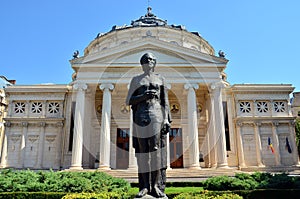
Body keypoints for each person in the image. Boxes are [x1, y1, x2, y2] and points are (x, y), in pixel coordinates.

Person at [126, 53, 171, 198]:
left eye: (151, 59)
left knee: (155, 150)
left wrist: (166, 120)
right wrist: (143, 96)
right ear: (142, 63)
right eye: (146, 60)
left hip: (156, 114)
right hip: (140, 115)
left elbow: (165, 101)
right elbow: (129, 100)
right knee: (143, 152)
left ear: (155, 62)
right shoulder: (136, 79)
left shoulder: (160, 79)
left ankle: (157, 186)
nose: (149, 61)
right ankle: (144, 186)